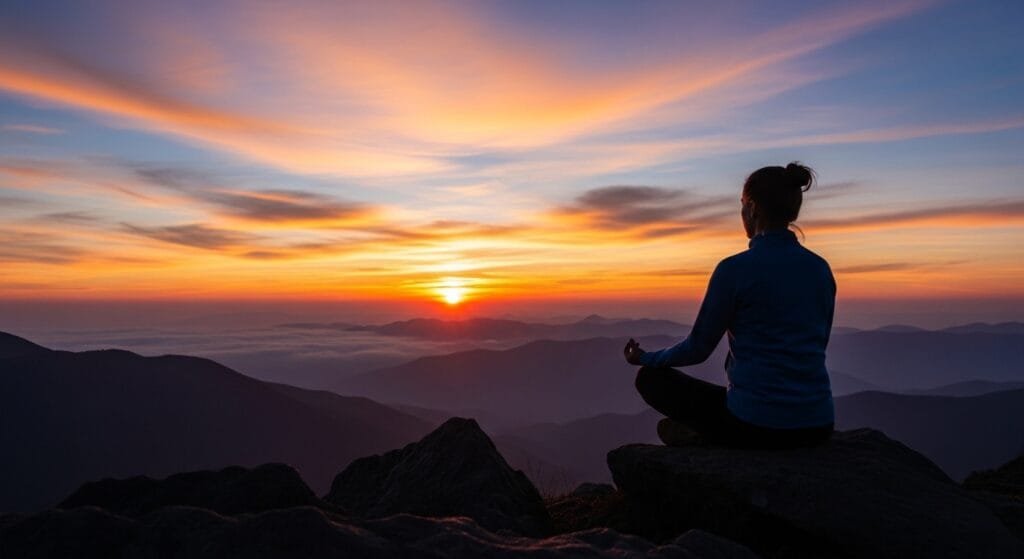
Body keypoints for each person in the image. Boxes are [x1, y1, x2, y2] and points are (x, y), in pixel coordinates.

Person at [624, 162, 835, 449]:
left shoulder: (735, 270)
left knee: (650, 380)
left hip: (754, 424)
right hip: (818, 425)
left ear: (753, 209)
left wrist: (645, 358)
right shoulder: (820, 269)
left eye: (742, 205)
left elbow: (697, 348)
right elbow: (818, 342)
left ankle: (704, 436)